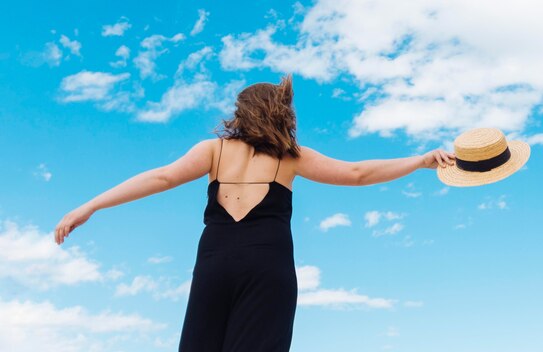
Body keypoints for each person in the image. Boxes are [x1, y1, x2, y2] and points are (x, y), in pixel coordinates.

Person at [53, 74, 456, 351]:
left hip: (215, 267)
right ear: (281, 112)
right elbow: (357, 173)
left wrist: (90, 205)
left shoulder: (213, 150)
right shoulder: (292, 157)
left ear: (241, 112)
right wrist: (419, 160)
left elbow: (161, 178)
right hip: (269, 271)